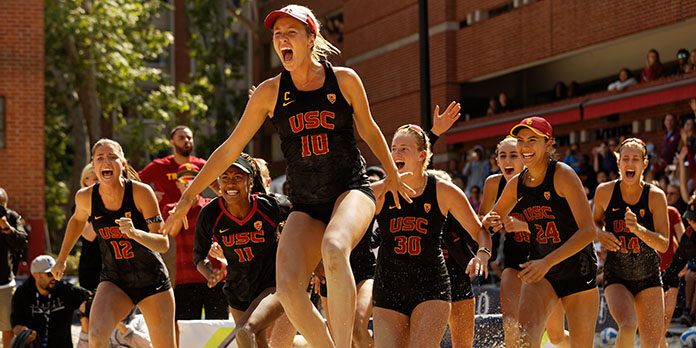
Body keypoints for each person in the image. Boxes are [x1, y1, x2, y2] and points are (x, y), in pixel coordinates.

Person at [162, 5, 413, 347]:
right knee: (289, 289)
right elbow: (231, 147)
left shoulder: (344, 80)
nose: (282, 39)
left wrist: (393, 175)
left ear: (312, 39)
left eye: (291, 32)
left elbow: (368, 130)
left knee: (334, 248)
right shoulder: (270, 92)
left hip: (351, 189)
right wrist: (189, 196)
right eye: (277, 34)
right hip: (306, 201)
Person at [371, 124, 491, 347]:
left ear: (421, 155)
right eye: (394, 148)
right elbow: (343, 215)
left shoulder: (443, 191)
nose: (396, 154)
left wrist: (482, 254)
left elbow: (480, 232)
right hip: (389, 287)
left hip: (431, 286)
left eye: (404, 149)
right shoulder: (378, 191)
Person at [483, 117, 599, 347]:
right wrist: (489, 222)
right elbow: (490, 221)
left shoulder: (563, 175)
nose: (525, 146)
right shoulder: (516, 183)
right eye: (521, 140)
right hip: (540, 272)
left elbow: (588, 232)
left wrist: (547, 261)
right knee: (525, 339)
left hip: (577, 269)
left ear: (548, 144)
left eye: (532, 140)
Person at [51, 138, 176, 348]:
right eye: (100, 158)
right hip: (115, 279)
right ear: (93, 165)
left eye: (112, 157)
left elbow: (163, 244)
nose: (106, 161)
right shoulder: (85, 197)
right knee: (97, 336)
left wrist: (135, 233)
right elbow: (77, 221)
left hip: (152, 280)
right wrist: (61, 259)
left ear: (123, 164)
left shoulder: (140, 192)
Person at [479, 137, 570, 348]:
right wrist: (489, 222)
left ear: (524, 159)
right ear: (497, 160)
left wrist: (524, 226)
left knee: (555, 335)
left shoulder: (540, 181)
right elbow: (483, 221)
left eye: (514, 155)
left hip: (545, 260)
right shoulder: (493, 183)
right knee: (511, 321)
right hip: (514, 258)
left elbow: (560, 227)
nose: (507, 160)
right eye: (503, 156)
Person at [194, 154, 291, 348]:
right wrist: (209, 273)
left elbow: (307, 220)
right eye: (225, 177)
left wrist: (316, 262)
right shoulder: (210, 213)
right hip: (237, 291)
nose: (231, 183)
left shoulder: (271, 206)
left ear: (250, 181)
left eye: (238, 177)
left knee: (246, 330)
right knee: (257, 341)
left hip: (272, 285)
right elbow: (199, 256)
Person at [594, 137, 669, 347]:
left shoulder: (655, 196)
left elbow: (663, 244)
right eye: (625, 158)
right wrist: (600, 235)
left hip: (649, 277)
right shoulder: (605, 192)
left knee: (652, 344)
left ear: (644, 164)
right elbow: (592, 224)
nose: (629, 163)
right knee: (628, 324)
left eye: (635, 159)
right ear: (618, 163)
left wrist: (638, 229)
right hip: (617, 275)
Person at [139, 125, 207, 285]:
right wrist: (151, 195)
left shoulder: (202, 165)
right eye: (181, 138)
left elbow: (219, 188)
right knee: (172, 276)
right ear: (172, 142)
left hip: (195, 225)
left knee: (199, 271)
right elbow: (135, 183)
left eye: (189, 137)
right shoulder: (159, 165)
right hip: (168, 227)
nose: (186, 141)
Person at [163, 163, 228, 320]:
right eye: (184, 180)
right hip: (186, 280)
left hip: (215, 276)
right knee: (187, 332)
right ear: (178, 184)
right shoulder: (171, 208)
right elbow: (172, 231)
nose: (188, 183)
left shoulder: (212, 205)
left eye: (194, 179)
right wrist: (185, 202)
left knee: (218, 332)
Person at [11, 255, 91, 348]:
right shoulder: (22, 293)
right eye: (49, 274)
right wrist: (24, 332)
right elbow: (15, 324)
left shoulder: (66, 289)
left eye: (55, 273)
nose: (54, 277)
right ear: (35, 275)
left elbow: (90, 296)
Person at [0, 187, 28, 348]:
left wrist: (6, 228)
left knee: (7, 328)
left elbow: (22, 243)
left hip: (4, 282)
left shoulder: (11, 217)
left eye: (1, 204)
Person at [76, 164, 102, 292]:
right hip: (91, 265)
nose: (99, 183)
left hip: (113, 264)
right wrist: (101, 206)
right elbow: (89, 235)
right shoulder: (80, 205)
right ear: (85, 181)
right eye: (95, 180)